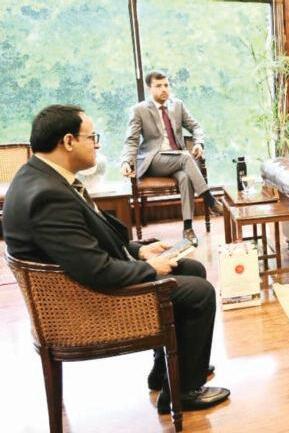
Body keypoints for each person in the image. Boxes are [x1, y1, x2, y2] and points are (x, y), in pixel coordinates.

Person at [4, 105, 230, 413]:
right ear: (68, 141)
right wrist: (148, 268)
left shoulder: (42, 177)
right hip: (82, 305)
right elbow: (96, 270)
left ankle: (170, 370)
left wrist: (137, 251)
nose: (96, 145)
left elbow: (84, 243)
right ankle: (183, 392)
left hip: (78, 284)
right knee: (199, 292)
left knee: (190, 267)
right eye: (91, 137)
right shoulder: (47, 196)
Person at [121, 70, 222, 246]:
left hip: (176, 159)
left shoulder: (177, 105)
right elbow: (132, 140)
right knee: (186, 157)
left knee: (185, 177)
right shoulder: (139, 110)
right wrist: (126, 161)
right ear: (149, 88)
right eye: (158, 86)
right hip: (154, 160)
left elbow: (196, 127)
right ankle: (210, 200)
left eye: (166, 85)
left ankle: (188, 228)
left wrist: (199, 143)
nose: (164, 89)